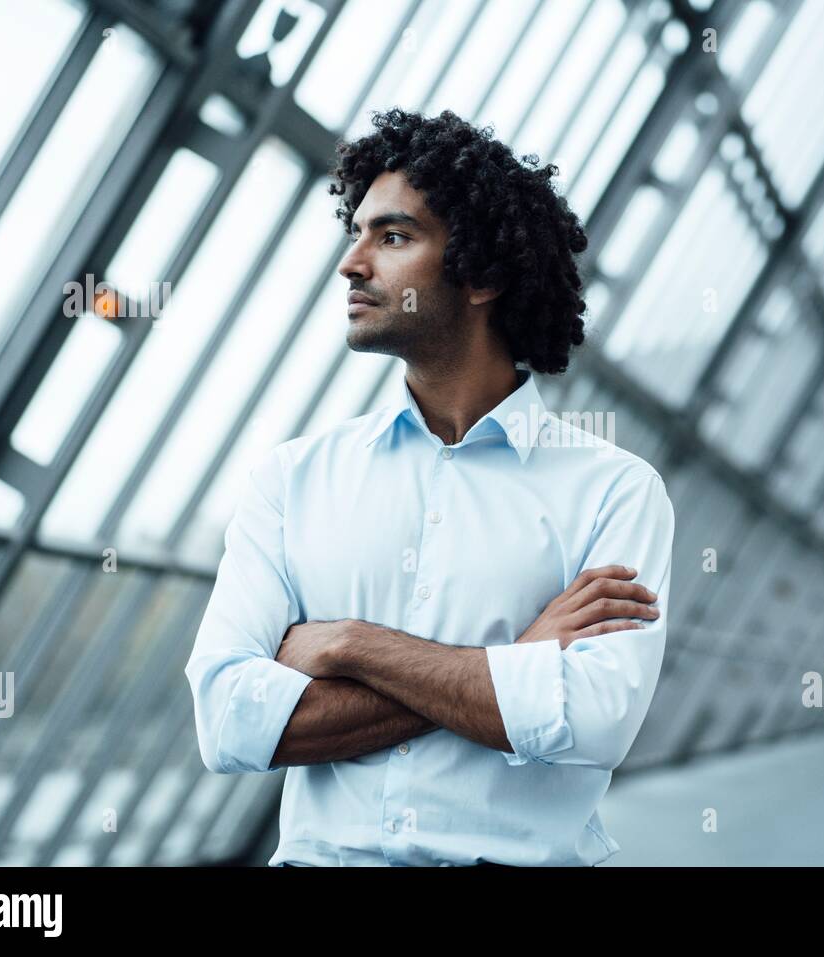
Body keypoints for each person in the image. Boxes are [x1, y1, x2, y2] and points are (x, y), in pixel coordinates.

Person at [185, 108, 675, 867]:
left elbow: (594, 720)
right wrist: (515, 663)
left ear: (481, 275)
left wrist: (352, 644)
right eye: (357, 234)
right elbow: (227, 722)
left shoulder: (615, 492)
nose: (352, 264)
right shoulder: (291, 479)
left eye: (393, 237)